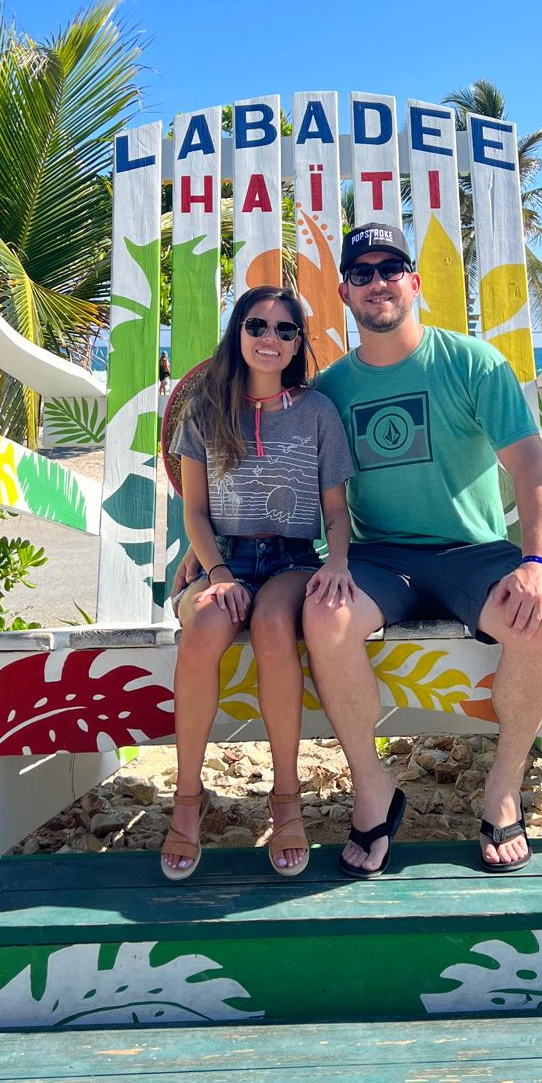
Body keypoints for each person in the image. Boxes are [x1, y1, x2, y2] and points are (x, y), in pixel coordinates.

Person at [302, 223, 542, 878]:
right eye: (361, 273)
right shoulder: (330, 391)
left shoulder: (472, 364)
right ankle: (374, 788)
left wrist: (538, 563)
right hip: (378, 557)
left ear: (413, 283)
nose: (377, 282)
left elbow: (532, 466)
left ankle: (502, 789)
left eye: (391, 268)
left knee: (539, 625)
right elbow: (289, 482)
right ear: (344, 293)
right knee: (325, 620)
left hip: (470, 553)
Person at [162, 285, 355, 882]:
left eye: (285, 330)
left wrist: (339, 562)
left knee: (273, 625)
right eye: (257, 326)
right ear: (238, 334)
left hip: (293, 561)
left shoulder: (317, 412)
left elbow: (336, 511)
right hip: (223, 558)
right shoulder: (205, 409)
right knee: (205, 629)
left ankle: (287, 799)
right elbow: (194, 511)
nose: (270, 338)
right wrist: (215, 570)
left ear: (298, 344)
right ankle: (187, 801)